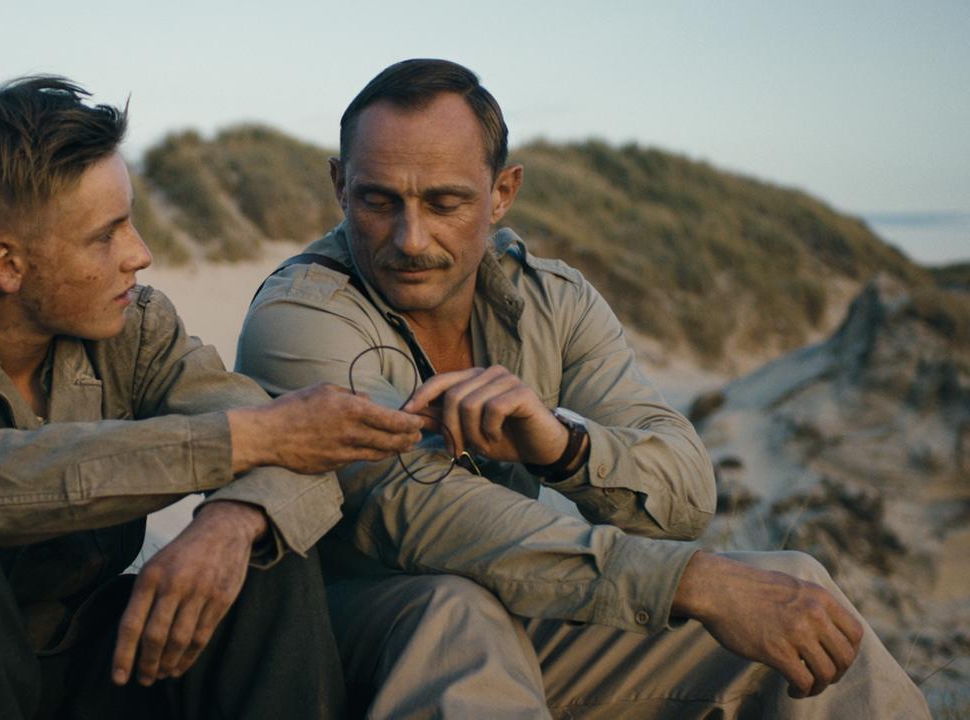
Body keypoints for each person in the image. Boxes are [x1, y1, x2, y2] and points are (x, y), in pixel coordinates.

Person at [236, 59, 930, 719]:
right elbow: (409, 508)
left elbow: (686, 495)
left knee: (795, 587)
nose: (411, 238)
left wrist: (564, 448)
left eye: (445, 202)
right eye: (379, 200)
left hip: (508, 607)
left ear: (502, 194)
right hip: (326, 637)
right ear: (339, 185)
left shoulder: (553, 300)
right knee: (454, 614)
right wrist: (691, 581)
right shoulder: (299, 314)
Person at [0, 75, 424, 720]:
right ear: (6, 264)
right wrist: (244, 439)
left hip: (87, 661)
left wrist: (232, 523)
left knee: (263, 552)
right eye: (106, 235)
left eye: (129, 222)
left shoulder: (136, 323)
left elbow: (294, 450)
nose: (140, 253)